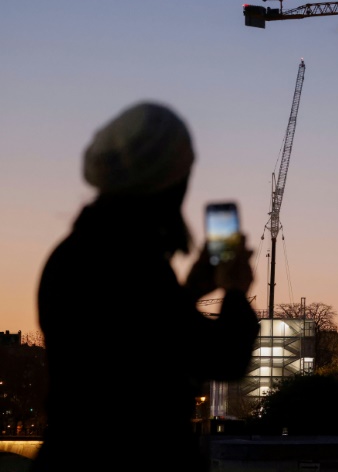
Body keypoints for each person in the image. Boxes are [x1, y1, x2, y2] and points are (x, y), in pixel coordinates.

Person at [32, 101, 259, 471]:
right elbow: (221, 357)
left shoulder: (71, 255)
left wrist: (188, 292)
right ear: (170, 183)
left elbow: (141, 340)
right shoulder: (135, 264)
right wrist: (235, 290)